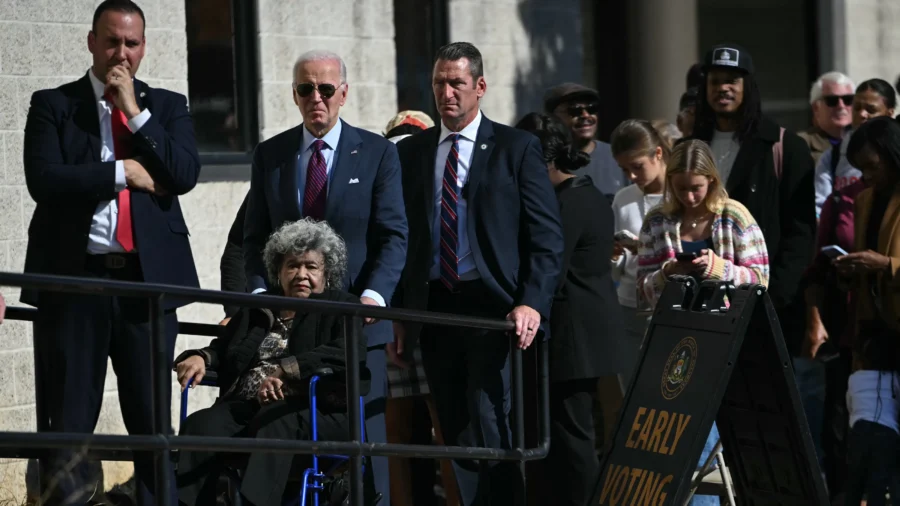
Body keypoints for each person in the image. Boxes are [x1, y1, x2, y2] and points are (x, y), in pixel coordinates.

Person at [22, 1, 201, 503]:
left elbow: (183, 174)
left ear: (144, 46)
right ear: (91, 41)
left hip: (145, 287)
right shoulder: (54, 104)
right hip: (77, 282)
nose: (120, 52)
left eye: (132, 42)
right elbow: (46, 180)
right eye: (111, 41)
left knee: (150, 423)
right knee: (71, 421)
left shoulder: (167, 107)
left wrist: (135, 114)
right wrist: (124, 173)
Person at [393, 42, 564, 506]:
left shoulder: (515, 148)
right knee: (453, 426)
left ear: (480, 87)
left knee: (491, 421)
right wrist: (403, 317)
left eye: (457, 83)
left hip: (493, 307)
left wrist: (531, 301)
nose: (446, 93)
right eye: (438, 83)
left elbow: (546, 237)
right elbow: (404, 238)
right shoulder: (413, 153)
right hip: (437, 305)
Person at [242, 49, 408, 501]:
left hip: (356, 324)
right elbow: (252, 237)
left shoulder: (376, 153)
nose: (317, 97)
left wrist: (375, 296)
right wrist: (257, 293)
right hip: (287, 325)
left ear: (344, 94)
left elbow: (394, 234)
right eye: (305, 89)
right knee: (283, 431)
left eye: (326, 88)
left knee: (365, 443)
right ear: (294, 96)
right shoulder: (271, 155)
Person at [176, 219, 368, 506]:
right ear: (278, 272)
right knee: (201, 424)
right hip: (249, 407)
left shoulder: (341, 306)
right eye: (292, 265)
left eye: (311, 266)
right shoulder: (259, 307)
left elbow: (345, 352)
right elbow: (224, 347)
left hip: (316, 410)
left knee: (274, 422)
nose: (301, 274)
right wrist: (199, 357)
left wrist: (288, 371)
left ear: (326, 271)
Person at [636, 140, 769, 506]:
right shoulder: (658, 221)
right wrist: (668, 272)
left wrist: (720, 269)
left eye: (698, 187)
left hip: (728, 342)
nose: (691, 196)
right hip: (673, 347)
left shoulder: (735, 216)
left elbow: (761, 278)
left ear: (712, 180)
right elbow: (642, 291)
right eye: (681, 189)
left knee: (715, 446)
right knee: (688, 442)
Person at [515, 112, 625, 506]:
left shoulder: (572, 201)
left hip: (574, 338)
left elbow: (550, 270)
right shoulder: (579, 194)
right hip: (571, 337)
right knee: (556, 437)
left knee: (572, 438)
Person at [381, 110, 462, 506]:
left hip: (398, 309)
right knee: (442, 427)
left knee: (396, 430)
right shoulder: (426, 165)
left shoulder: (389, 163)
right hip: (421, 307)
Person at [609, 119, 669, 346]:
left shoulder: (684, 193)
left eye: (637, 166)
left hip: (673, 305)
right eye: (624, 169)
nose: (632, 176)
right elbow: (616, 269)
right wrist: (615, 255)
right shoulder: (623, 198)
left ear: (658, 154)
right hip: (629, 303)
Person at [814, 79, 896, 218]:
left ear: (890, 112)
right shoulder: (832, 157)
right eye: (857, 108)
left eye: (871, 109)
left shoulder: (896, 154)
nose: (862, 114)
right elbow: (820, 206)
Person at [842, 322, 900, 506]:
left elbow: (850, 407)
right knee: (878, 483)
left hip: (860, 430)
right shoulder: (894, 379)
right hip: (887, 435)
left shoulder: (854, 378)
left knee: (854, 482)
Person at [543, 82, 628, 201]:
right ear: (552, 117)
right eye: (575, 110)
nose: (586, 115)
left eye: (592, 108)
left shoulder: (618, 156)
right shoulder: (545, 163)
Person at [799, 72, 855, 167]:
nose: (841, 106)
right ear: (816, 108)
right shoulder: (799, 144)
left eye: (848, 99)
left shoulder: (866, 141)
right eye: (832, 100)